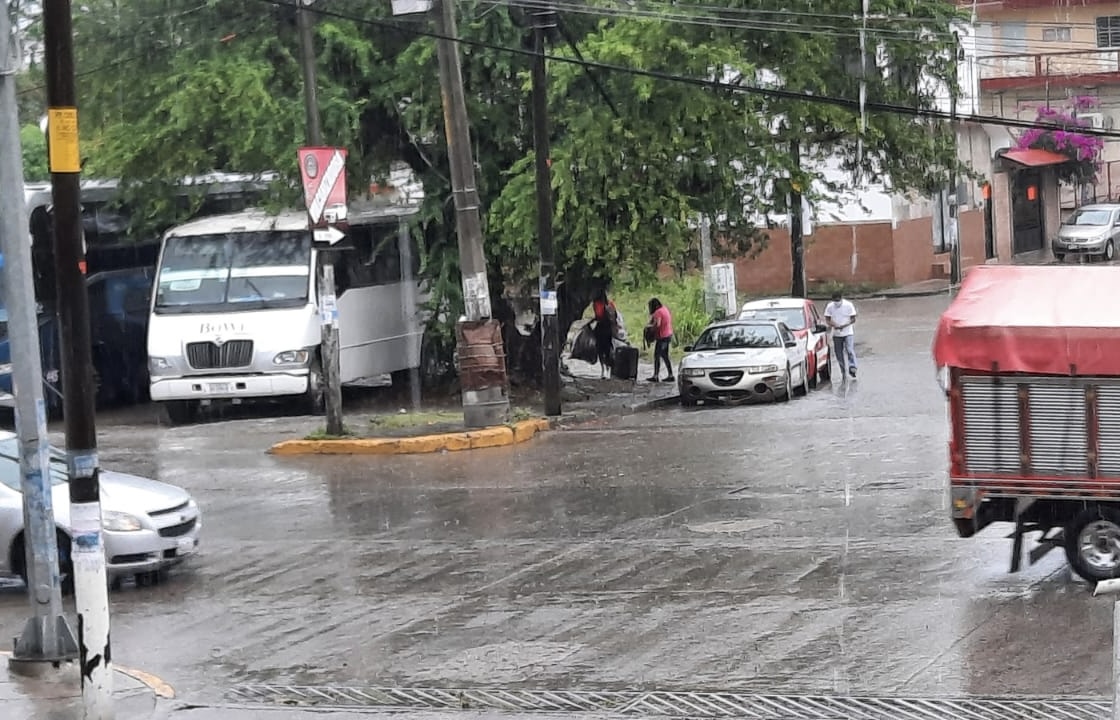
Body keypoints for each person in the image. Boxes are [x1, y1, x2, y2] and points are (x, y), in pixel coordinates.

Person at [824, 290, 858, 379]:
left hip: (848, 332)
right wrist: (835, 325)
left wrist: (844, 325)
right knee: (838, 353)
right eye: (835, 301)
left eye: (838, 300)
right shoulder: (830, 306)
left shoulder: (848, 305)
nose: (837, 302)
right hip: (836, 334)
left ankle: (853, 367)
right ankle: (843, 371)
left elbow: (853, 319)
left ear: (841, 298)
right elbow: (827, 319)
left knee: (849, 350)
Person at [591, 288, 618, 379]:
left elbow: (598, 316)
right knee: (608, 349)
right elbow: (615, 316)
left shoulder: (596, 304)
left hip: (601, 329)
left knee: (600, 350)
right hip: (609, 329)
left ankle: (603, 370)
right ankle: (608, 368)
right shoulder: (610, 304)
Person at [646, 298, 674, 383]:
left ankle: (656, 376)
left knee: (657, 356)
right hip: (668, 335)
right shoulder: (664, 309)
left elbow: (657, 324)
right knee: (665, 356)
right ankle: (670, 374)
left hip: (662, 337)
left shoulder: (657, 312)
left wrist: (650, 329)